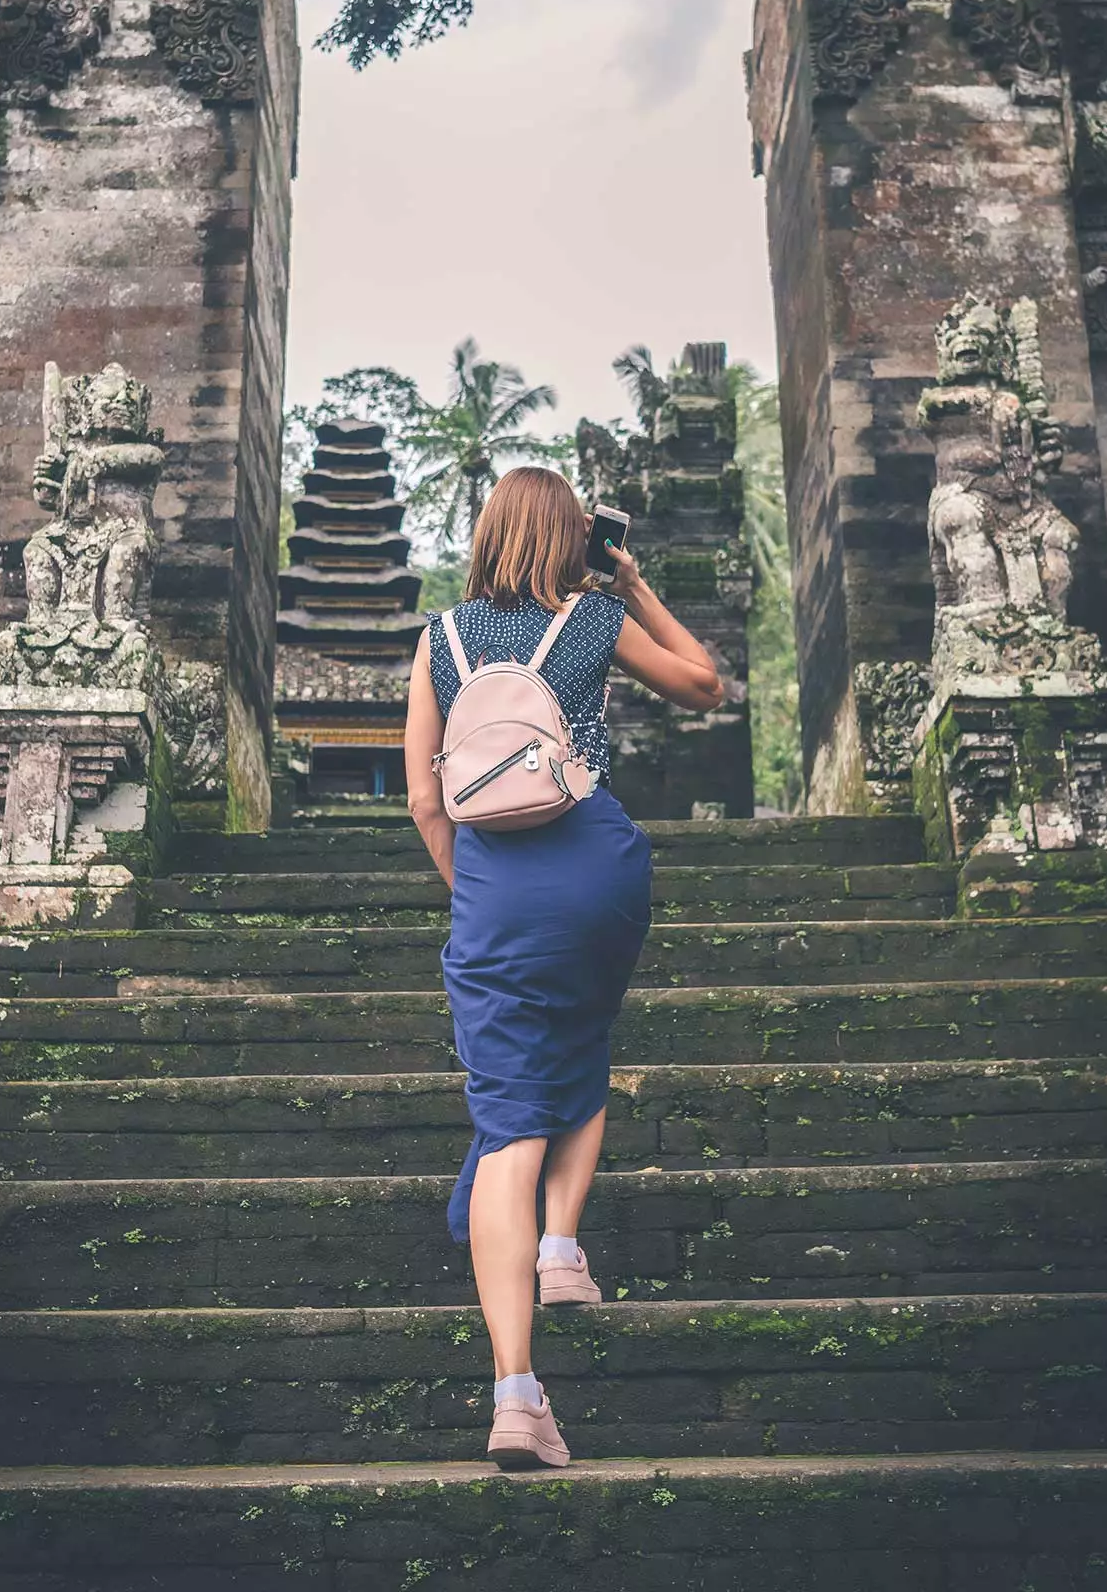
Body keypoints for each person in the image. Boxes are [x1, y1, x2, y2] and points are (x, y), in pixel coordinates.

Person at [404, 466, 724, 1469]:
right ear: (570, 540)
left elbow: (422, 796)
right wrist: (630, 584)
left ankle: (515, 1394)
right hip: (596, 860)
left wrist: (475, 889)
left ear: (489, 530)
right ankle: (558, 1244)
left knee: (508, 1123)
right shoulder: (591, 620)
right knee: (583, 1033)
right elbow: (705, 683)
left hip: (499, 880)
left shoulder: (441, 638)